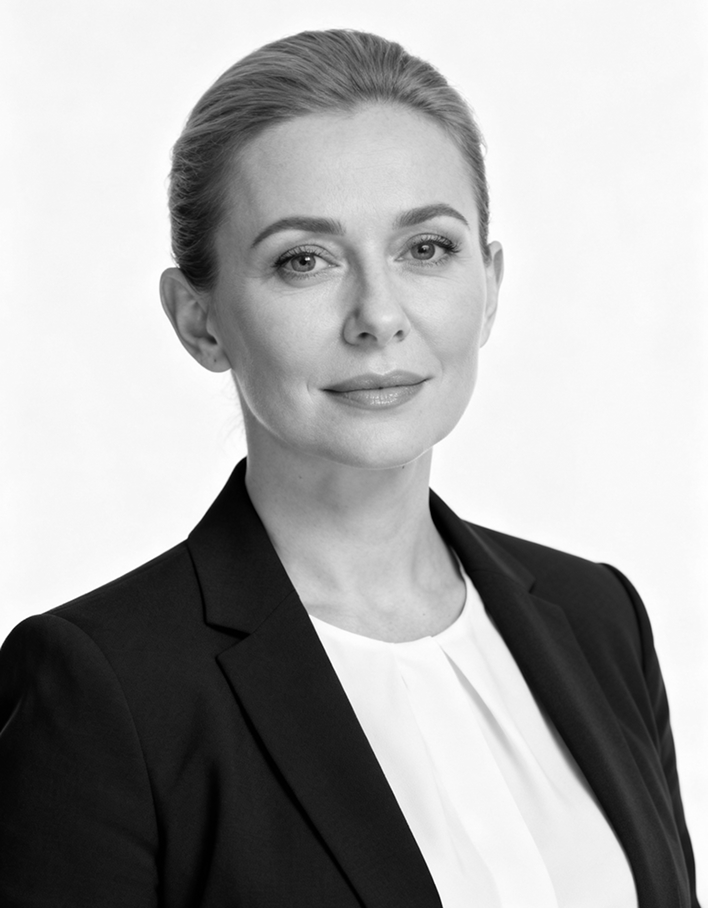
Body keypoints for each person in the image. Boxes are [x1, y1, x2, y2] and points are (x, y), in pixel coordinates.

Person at [0, 28, 699, 908]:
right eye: (304, 261)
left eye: (426, 249)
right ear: (199, 321)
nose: (377, 316)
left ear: (489, 284)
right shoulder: (109, 690)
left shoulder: (600, 620)